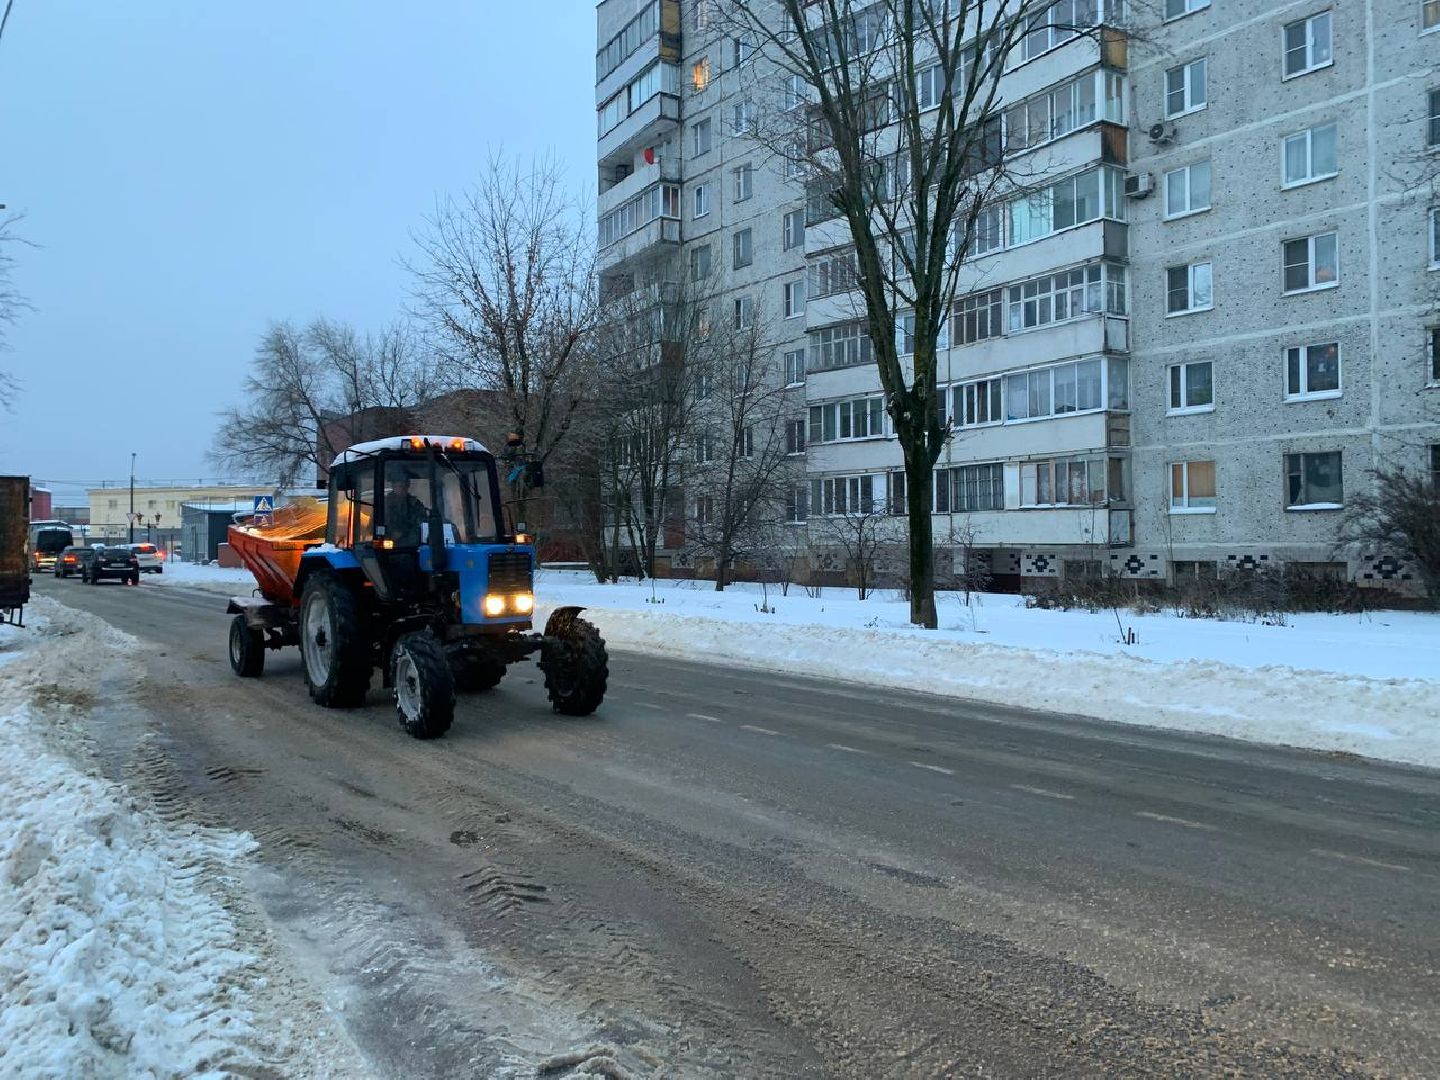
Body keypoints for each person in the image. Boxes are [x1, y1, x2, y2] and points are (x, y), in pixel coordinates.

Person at [384, 474, 430, 548]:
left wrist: (404, 532)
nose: (402, 489)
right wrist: (391, 533)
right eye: (399, 486)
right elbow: (374, 527)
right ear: (393, 487)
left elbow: (423, 524)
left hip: (412, 546)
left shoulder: (415, 504)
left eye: (404, 487)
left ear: (408, 487)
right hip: (389, 548)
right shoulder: (383, 504)